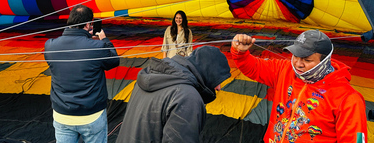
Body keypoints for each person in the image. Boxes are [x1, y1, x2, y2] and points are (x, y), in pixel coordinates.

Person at [231, 30, 368, 143]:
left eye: (307, 60)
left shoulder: (348, 99)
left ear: (325, 61)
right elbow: (254, 68)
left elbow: (355, 140)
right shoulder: (285, 70)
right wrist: (240, 53)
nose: (298, 64)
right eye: (296, 56)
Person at [116, 46, 231, 143]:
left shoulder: (148, 76)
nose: (219, 88)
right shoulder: (188, 97)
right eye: (218, 80)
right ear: (208, 72)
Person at [44, 5, 120, 143]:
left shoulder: (50, 45)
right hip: (91, 115)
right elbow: (114, 60)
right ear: (88, 24)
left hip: (62, 115)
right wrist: (104, 40)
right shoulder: (97, 47)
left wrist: (84, 36)